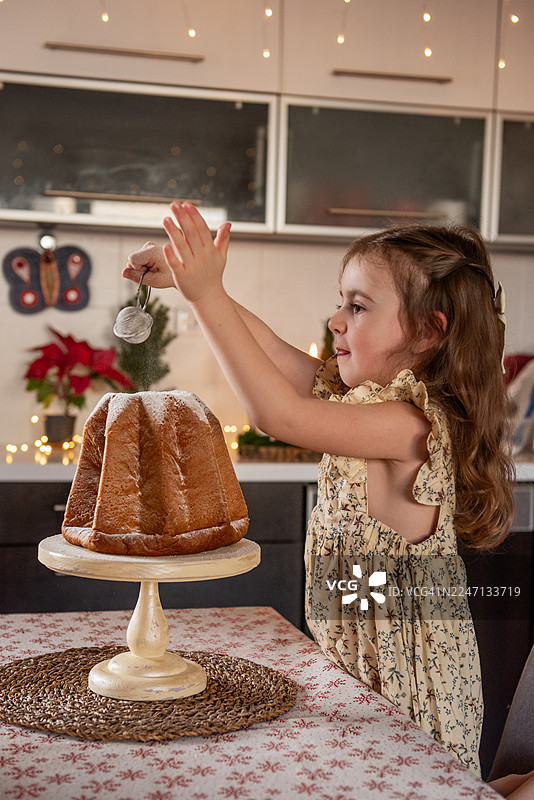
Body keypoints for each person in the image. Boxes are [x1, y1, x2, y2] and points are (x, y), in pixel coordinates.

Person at [124, 201, 515, 778]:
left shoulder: (411, 426)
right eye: (341, 301)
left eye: (357, 306)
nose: (336, 319)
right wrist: (198, 285)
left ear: (430, 333)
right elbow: (279, 360)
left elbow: (280, 414)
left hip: (411, 691)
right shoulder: (366, 405)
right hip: (361, 674)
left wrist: (207, 298)